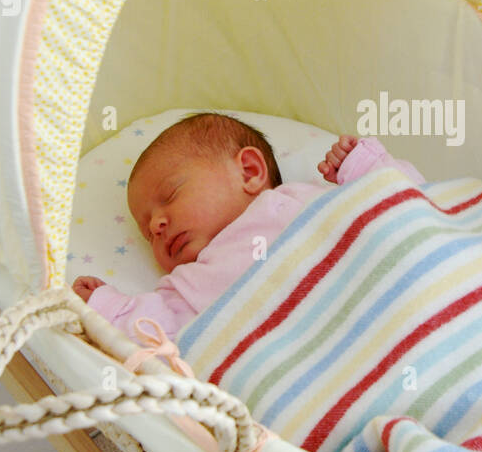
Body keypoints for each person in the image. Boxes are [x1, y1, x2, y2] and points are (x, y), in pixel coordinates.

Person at [71, 112, 424, 340]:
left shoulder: (308, 198)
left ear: (250, 172)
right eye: (148, 233)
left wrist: (363, 168)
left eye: (170, 194)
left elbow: (405, 206)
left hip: (399, 305)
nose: (158, 224)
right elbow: (156, 329)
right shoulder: (193, 282)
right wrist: (109, 307)